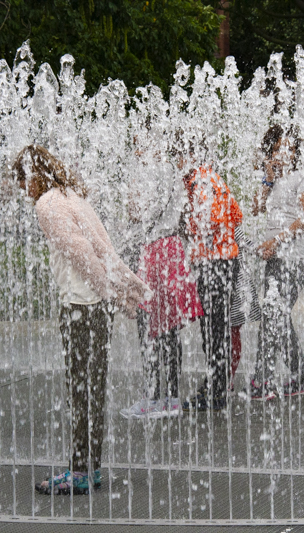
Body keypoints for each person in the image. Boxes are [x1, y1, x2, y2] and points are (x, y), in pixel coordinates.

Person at [11, 145, 149, 496]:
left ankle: (78, 471)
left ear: (34, 176)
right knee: (94, 387)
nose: (23, 189)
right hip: (97, 308)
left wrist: (111, 291)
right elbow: (104, 247)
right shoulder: (74, 196)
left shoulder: (48, 205)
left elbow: (82, 253)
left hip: (80, 306)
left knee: (79, 389)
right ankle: (91, 467)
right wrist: (120, 283)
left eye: (23, 180)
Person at [120, 134, 203, 419]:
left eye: (140, 143)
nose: (138, 149)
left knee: (148, 327)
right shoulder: (174, 174)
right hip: (172, 251)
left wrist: (131, 191)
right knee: (168, 329)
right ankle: (172, 397)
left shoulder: (150, 175)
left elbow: (135, 213)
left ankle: (152, 397)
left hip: (154, 253)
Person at [247, 124, 304, 401]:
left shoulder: (302, 177)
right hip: (275, 258)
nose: (282, 153)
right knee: (277, 317)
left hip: (294, 257)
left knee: (274, 316)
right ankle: (301, 377)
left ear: (296, 151)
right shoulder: (273, 180)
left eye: (288, 148)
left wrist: (275, 242)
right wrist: (267, 178)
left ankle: (262, 381)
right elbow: (254, 208)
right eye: (277, 148)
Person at [177, 136, 243, 411]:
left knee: (213, 330)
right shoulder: (212, 177)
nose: (176, 164)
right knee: (216, 329)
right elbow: (237, 215)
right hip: (224, 260)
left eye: (179, 157)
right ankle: (216, 387)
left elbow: (210, 221)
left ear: (190, 156)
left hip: (215, 263)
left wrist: (188, 225)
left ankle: (215, 393)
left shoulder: (200, 181)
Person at [228, 225, 262, 390]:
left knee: (232, 331)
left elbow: (243, 241)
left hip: (235, 284)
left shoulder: (226, 212)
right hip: (222, 281)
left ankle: (228, 377)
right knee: (220, 333)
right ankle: (224, 377)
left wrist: (264, 250)